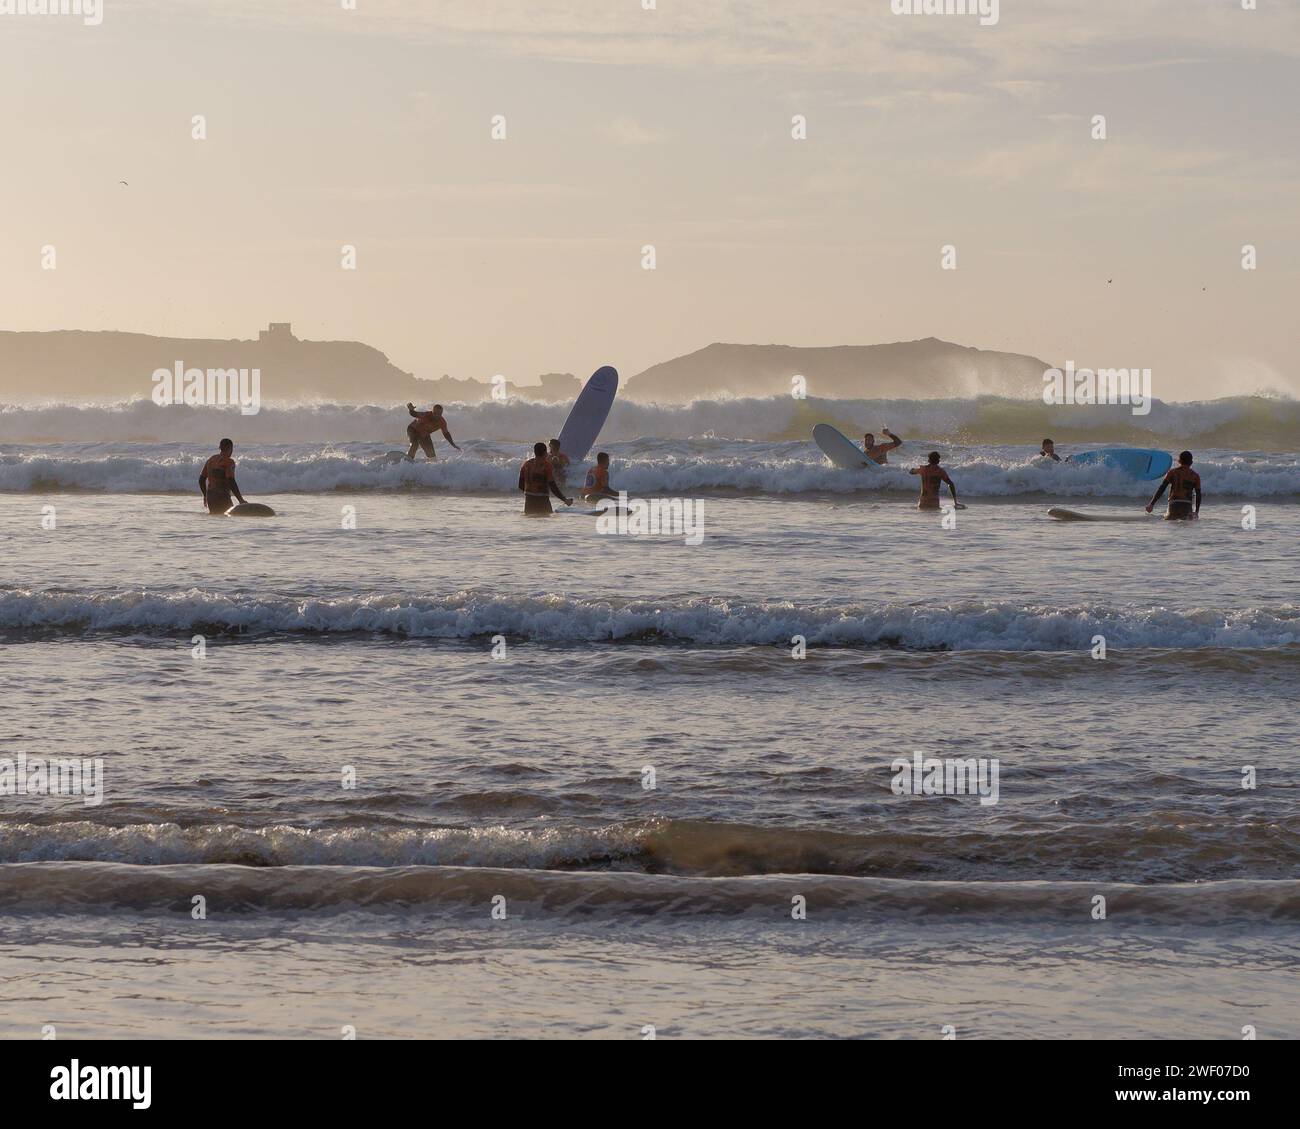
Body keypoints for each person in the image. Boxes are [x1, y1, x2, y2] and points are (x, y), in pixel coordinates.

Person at [519, 442, 573, 514]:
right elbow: (553, 486)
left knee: (530, 522)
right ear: (545, 453)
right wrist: (565, 500)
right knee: (545, 522)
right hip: (543, 501)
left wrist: (531, 495)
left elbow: (520, 485)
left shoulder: (526, 464)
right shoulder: (546, 466)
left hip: (529, 501)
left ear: (535, 452)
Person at [1146, 450, 1201, 520]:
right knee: (1186, 525)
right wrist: (1196, 512)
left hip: (1174, 503)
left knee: (1171, 523)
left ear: (1179, 461)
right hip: (1187, 505)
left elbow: (1162, 488)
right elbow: (1198, 494)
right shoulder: (1195, 476)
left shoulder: (1172, 472)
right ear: (1191, 462)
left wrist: (1151, 504)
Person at [199, 438, 247, 515]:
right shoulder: (229, 462)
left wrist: (205, 496)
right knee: (228, 519)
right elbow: (231, 481)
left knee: (215, 517)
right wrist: (241, 500)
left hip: (210, 496)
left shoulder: (210, 460)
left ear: (220, 448)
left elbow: (201, 480)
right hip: (222, 496)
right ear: (230, 448)